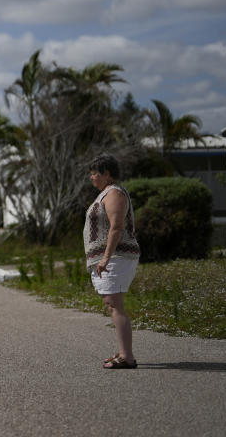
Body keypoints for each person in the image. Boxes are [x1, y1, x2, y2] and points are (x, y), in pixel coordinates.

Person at [84, 153, 141, 369]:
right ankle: (122, 352)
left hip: (117, 256)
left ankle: (127, 356)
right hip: (110, 258)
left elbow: (116, 227)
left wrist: (106, 257)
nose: (91, 178)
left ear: (107, 174)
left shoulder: (115, 193)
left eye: (94, 173)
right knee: (111, 304)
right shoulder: (106, 193)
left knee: (114, 304)